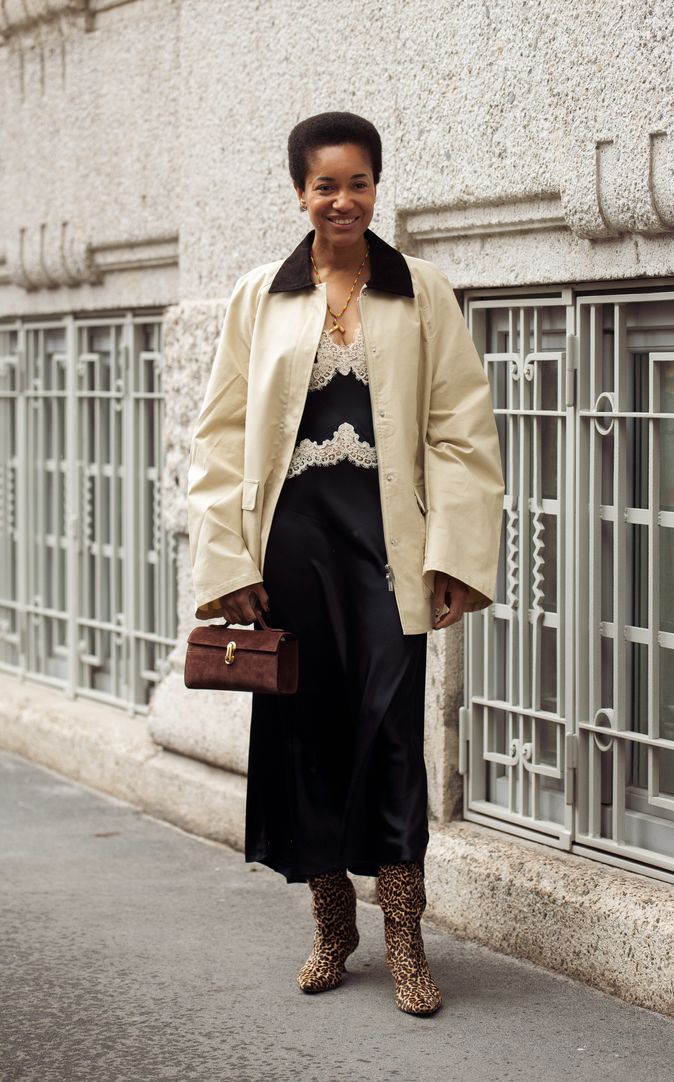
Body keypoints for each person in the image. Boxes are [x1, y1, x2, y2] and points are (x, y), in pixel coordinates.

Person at [186, 111, 505, 1017]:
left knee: (393, 729)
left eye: (357, 182)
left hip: (387, 549)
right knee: (306, 732)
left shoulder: (422, 291)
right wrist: (228, 562)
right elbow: (220, 436)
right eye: (325, 185)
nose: (342, 200)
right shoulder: (260, 296)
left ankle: (405, 935)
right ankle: (333, 927)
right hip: (291, 549)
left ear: (376, 187)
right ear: (300, 193)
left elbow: (461, 430)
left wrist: (454, 554)